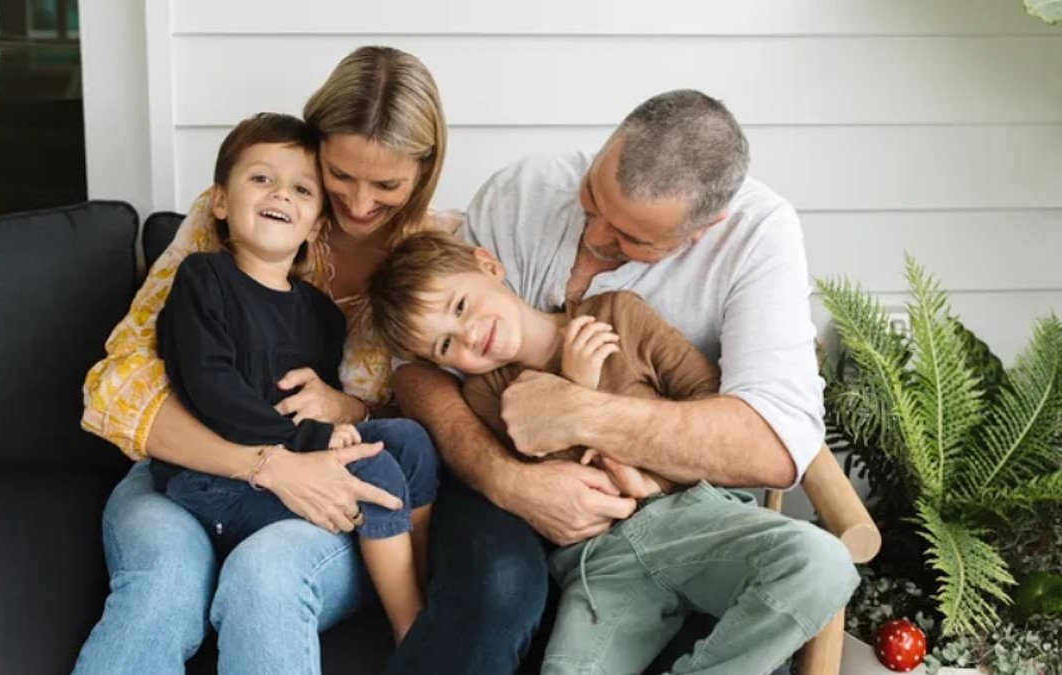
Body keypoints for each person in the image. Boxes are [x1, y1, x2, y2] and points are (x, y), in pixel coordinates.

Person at [388, 89, 838, 674]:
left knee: (820, 562)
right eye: (593, 199)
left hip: (681, 508)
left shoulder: (751, 241)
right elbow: (422, 370)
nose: (596, 235)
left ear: (705, 229)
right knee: (497, 583)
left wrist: (578, 409)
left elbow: (772, 443)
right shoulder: (524, 189)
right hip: (573, 539)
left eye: (632, 238)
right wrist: (507, 480)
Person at [73, 46, 456, 675]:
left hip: (328, 493)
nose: (359, 203)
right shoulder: (229, 225)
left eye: (386, 184)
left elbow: (430, 417)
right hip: (190, 468)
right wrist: (270, 464)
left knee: (266, 578)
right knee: (162, 588)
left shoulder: (431, 264)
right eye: (339, 175)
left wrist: (349, 407)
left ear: (424, 172)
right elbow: (117, 388)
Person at [151, 112, 436, 643]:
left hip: (295, 456)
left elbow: (316, 405)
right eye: (261, 179)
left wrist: (329, 431)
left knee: (409, 441)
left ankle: (417, 581)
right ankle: (412, 632)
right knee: (375, 473)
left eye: (302, 189)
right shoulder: (204, 278)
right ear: (219, 201)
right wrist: (316, 442)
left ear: (317, 222)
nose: (280, 195)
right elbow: (210, 388)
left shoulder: (322, 315)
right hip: (211, 475)